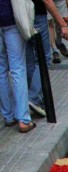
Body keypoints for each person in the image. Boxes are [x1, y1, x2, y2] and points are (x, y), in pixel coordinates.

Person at [26, 0, 68, 116]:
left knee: (29, 61)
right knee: (44, 59)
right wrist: (63, 24)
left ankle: (37, 100)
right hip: (36, 15)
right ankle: (34, 98)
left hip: (18, 18)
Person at [0, 0, 34, 131]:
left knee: (1, 70)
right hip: (11, 18)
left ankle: (8, 116)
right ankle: (24, 119)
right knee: (17, 69)